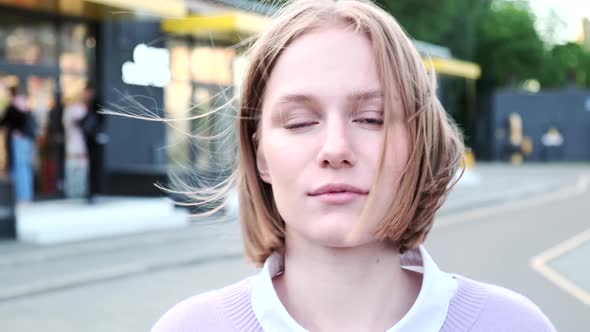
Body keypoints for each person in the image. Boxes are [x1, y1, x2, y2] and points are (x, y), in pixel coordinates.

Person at [152, 1, 556, 331]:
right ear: (260, 157)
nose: (335, 149)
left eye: (371, 119)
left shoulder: (513, 324)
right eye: (299, 122)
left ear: (417, 143)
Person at [0, 86, 37, 204]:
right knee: (17, 168)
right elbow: (4, 124)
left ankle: (24, 196)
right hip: (15, 142)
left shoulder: (25, 110)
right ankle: (18, 195)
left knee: (22, 167)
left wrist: (20, 132)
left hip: (23, 142)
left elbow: (31, 127)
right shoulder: (11, 109)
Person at [80, 83, 104, 203]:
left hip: (94, 140)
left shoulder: (95, 104)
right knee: (93, 166)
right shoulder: (90, 104)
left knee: (94, 166)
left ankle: (94, 192)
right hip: (92, 139)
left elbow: (96, 120)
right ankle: (93, 192)